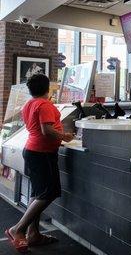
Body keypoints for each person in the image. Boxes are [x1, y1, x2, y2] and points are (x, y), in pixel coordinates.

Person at [5, 74, 75, 252]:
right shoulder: (44, 105)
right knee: (48, 192)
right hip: (42, 153)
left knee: (37, 193)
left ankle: (33, 234)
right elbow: (47, 130)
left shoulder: (29, 104)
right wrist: (64, 136)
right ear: (48, 88)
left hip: (33, 151)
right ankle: (18, 229)